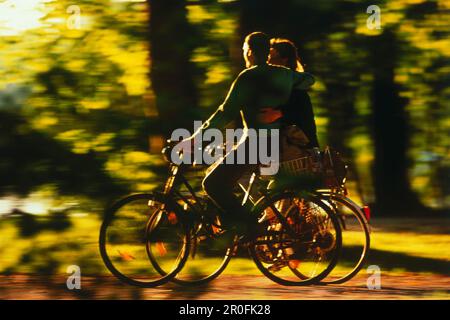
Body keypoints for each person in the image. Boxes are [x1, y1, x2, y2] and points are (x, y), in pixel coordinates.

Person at [183, 32, 315, 236]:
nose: (244, 54)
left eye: (244, 50)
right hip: (273, 143)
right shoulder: (283, 74)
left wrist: (196, 138)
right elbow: (309, 80)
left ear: (250, 52)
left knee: (212, 183)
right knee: (232, 178)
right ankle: (248, 223)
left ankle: (250, 227)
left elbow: (225, 112)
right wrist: (282, 101)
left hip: (254, 144)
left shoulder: (247, 77)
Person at [267, 38, 320, 149]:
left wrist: (278, 113)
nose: (268, 62)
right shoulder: (288, 85)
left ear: (284, 60)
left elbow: (304, 122)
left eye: (271, 57)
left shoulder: (296, 89)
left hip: (298, 152)